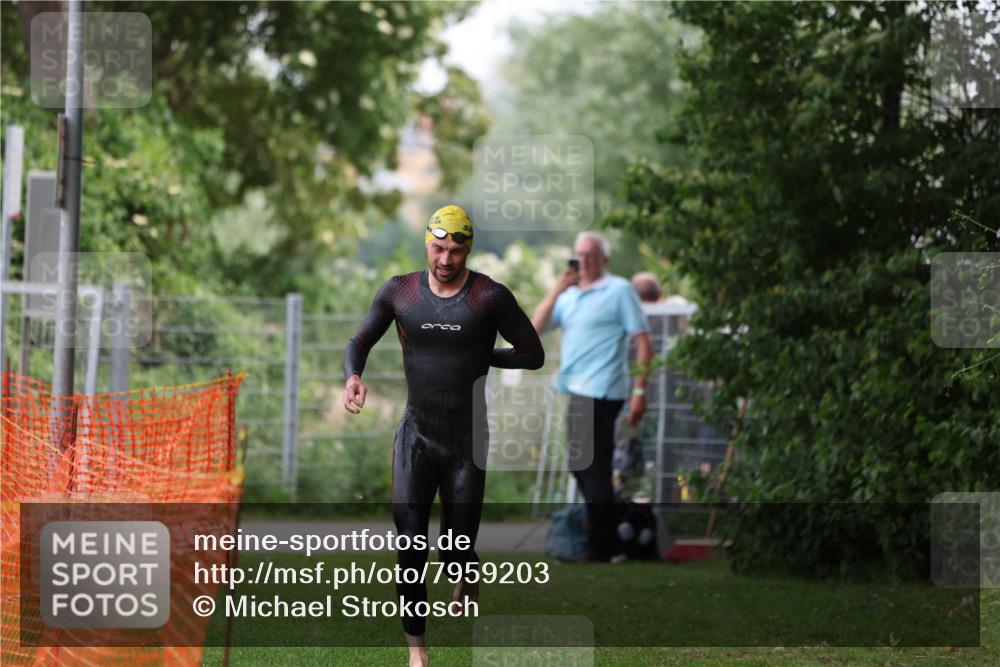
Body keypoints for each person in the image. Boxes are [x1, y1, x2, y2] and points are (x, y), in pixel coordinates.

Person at [342, 204, 544, 667]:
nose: (446, 259)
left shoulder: (489, 298)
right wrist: (353, 377)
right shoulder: (401, 292)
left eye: (456, 250)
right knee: (410, 540)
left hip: (467, 441)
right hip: (416, 436)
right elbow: (358, 343)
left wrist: (480, 353)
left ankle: (464, 568)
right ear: (426, 244)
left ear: (468, 248)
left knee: (453, 550)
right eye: (438, 248)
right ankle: (418, 652)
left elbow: (533, 354)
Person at [532, 231, 653, 563]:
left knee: (592, 468)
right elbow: (534, 328)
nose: (585, 261)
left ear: (605, 259)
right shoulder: (569, 297)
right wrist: (559, 286)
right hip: (575, 389)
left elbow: (644, 343)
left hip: (602, 390)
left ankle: (601, 547)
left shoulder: (619, 291)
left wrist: (639, 391)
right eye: (580, 255)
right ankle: (608, 537)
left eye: (592, 256)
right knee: (582, 467)